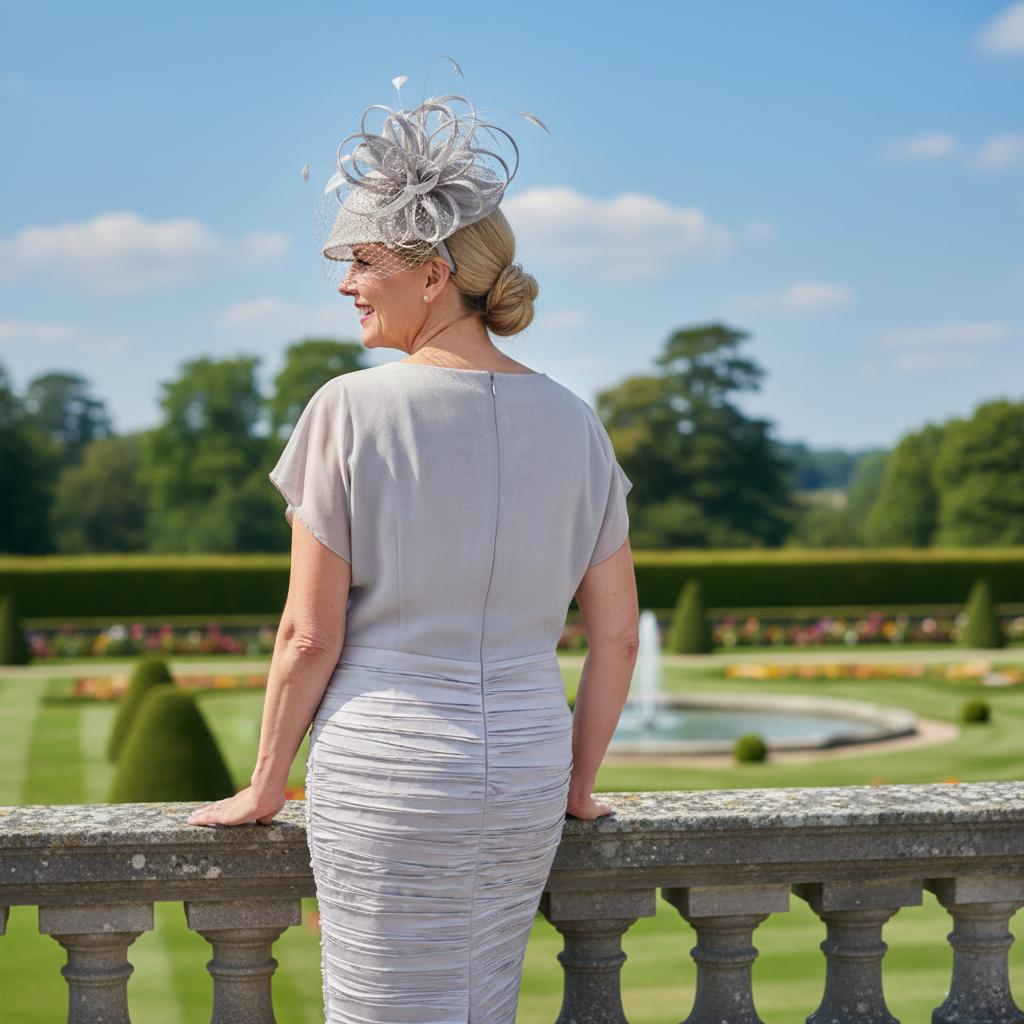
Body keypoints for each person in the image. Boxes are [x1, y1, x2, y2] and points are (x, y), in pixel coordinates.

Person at [187, 58, 639, 1024]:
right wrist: (581, 781)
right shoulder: (577, 421)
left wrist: (267, 784)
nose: (346, 283)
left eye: (365, 261)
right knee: (484, 1004)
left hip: (388, 767)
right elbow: (619, 636)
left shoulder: (347, 409)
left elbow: (308, 636)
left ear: (434, 274)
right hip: (524, 763)